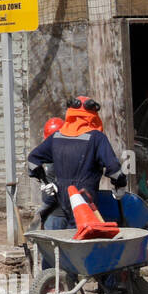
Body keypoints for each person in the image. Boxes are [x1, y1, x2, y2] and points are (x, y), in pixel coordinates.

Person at [26, 95, 127, 229]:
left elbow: (33, 159)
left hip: (63, 196)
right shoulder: (96, 138)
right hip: (85, 196)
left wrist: (45, 182)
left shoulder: (57, 137)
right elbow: (113, 168)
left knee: (70, 233)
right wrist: (119, 185)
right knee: (84, 234)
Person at [30, 116, 65, 230]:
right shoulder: (52, 157)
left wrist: (43, 208)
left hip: (57, 213)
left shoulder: (60, 160)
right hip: (52, 212)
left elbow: (59, 189)